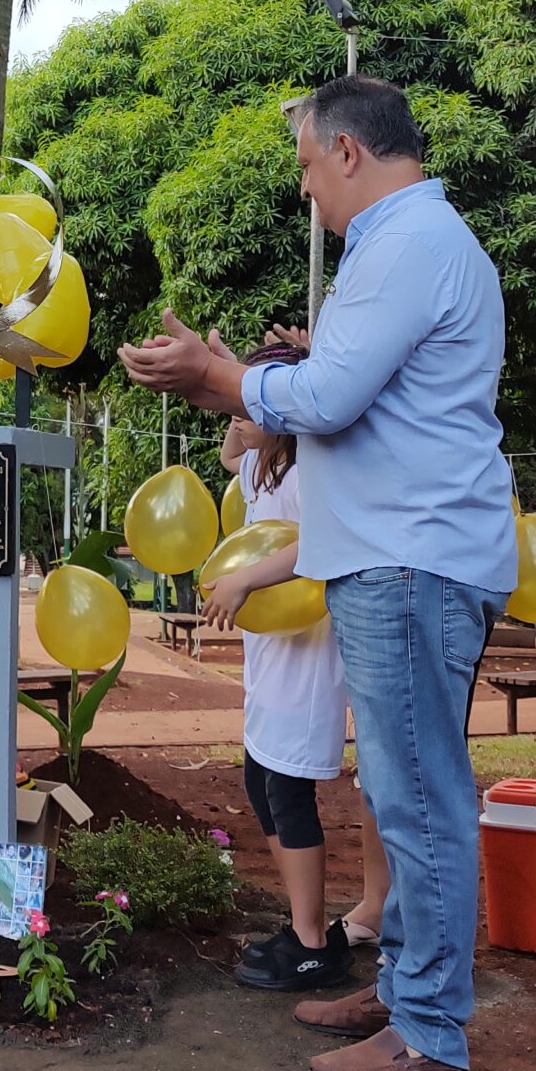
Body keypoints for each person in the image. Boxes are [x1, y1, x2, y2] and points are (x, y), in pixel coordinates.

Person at [120, 74, 513, 1071]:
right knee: (402, 793)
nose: (305, 191)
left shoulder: (405, 245)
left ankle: (427, 1027)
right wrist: (247, 368)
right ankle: (406, 992)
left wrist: (215, 374)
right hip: (399, 551)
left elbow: (328, 399)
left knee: (418, 797)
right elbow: (335, 388)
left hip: (409, 557)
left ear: (347, 152)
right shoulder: (409, 246)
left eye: (305, 167)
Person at [203, 340, 367, 994]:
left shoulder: (311, 474)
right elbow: (229, 452)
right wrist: (232, 384)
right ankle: (305, 925)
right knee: (258, 778)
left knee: (287, 787)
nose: (241, 413)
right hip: (268, 655)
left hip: (307, 653)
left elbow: (318, 543)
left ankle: (309, 940)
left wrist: (243, 580)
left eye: (255, 402)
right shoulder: (263, 469)